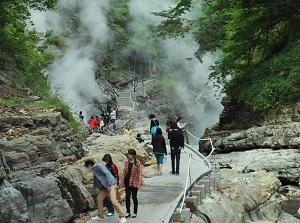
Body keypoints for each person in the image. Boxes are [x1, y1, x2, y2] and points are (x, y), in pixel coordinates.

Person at [120, 149, 142, 219]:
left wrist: (139, 182)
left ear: (132, 155)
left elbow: (140, 173)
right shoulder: (127, 162)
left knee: (134, 197)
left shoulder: (137, 162)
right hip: (127, 181)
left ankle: (135, 212)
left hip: (134, 182)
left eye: (129, 154)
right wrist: (122, 182)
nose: (128, 155)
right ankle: (128, 212)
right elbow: (124, 172)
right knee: (127, 197)